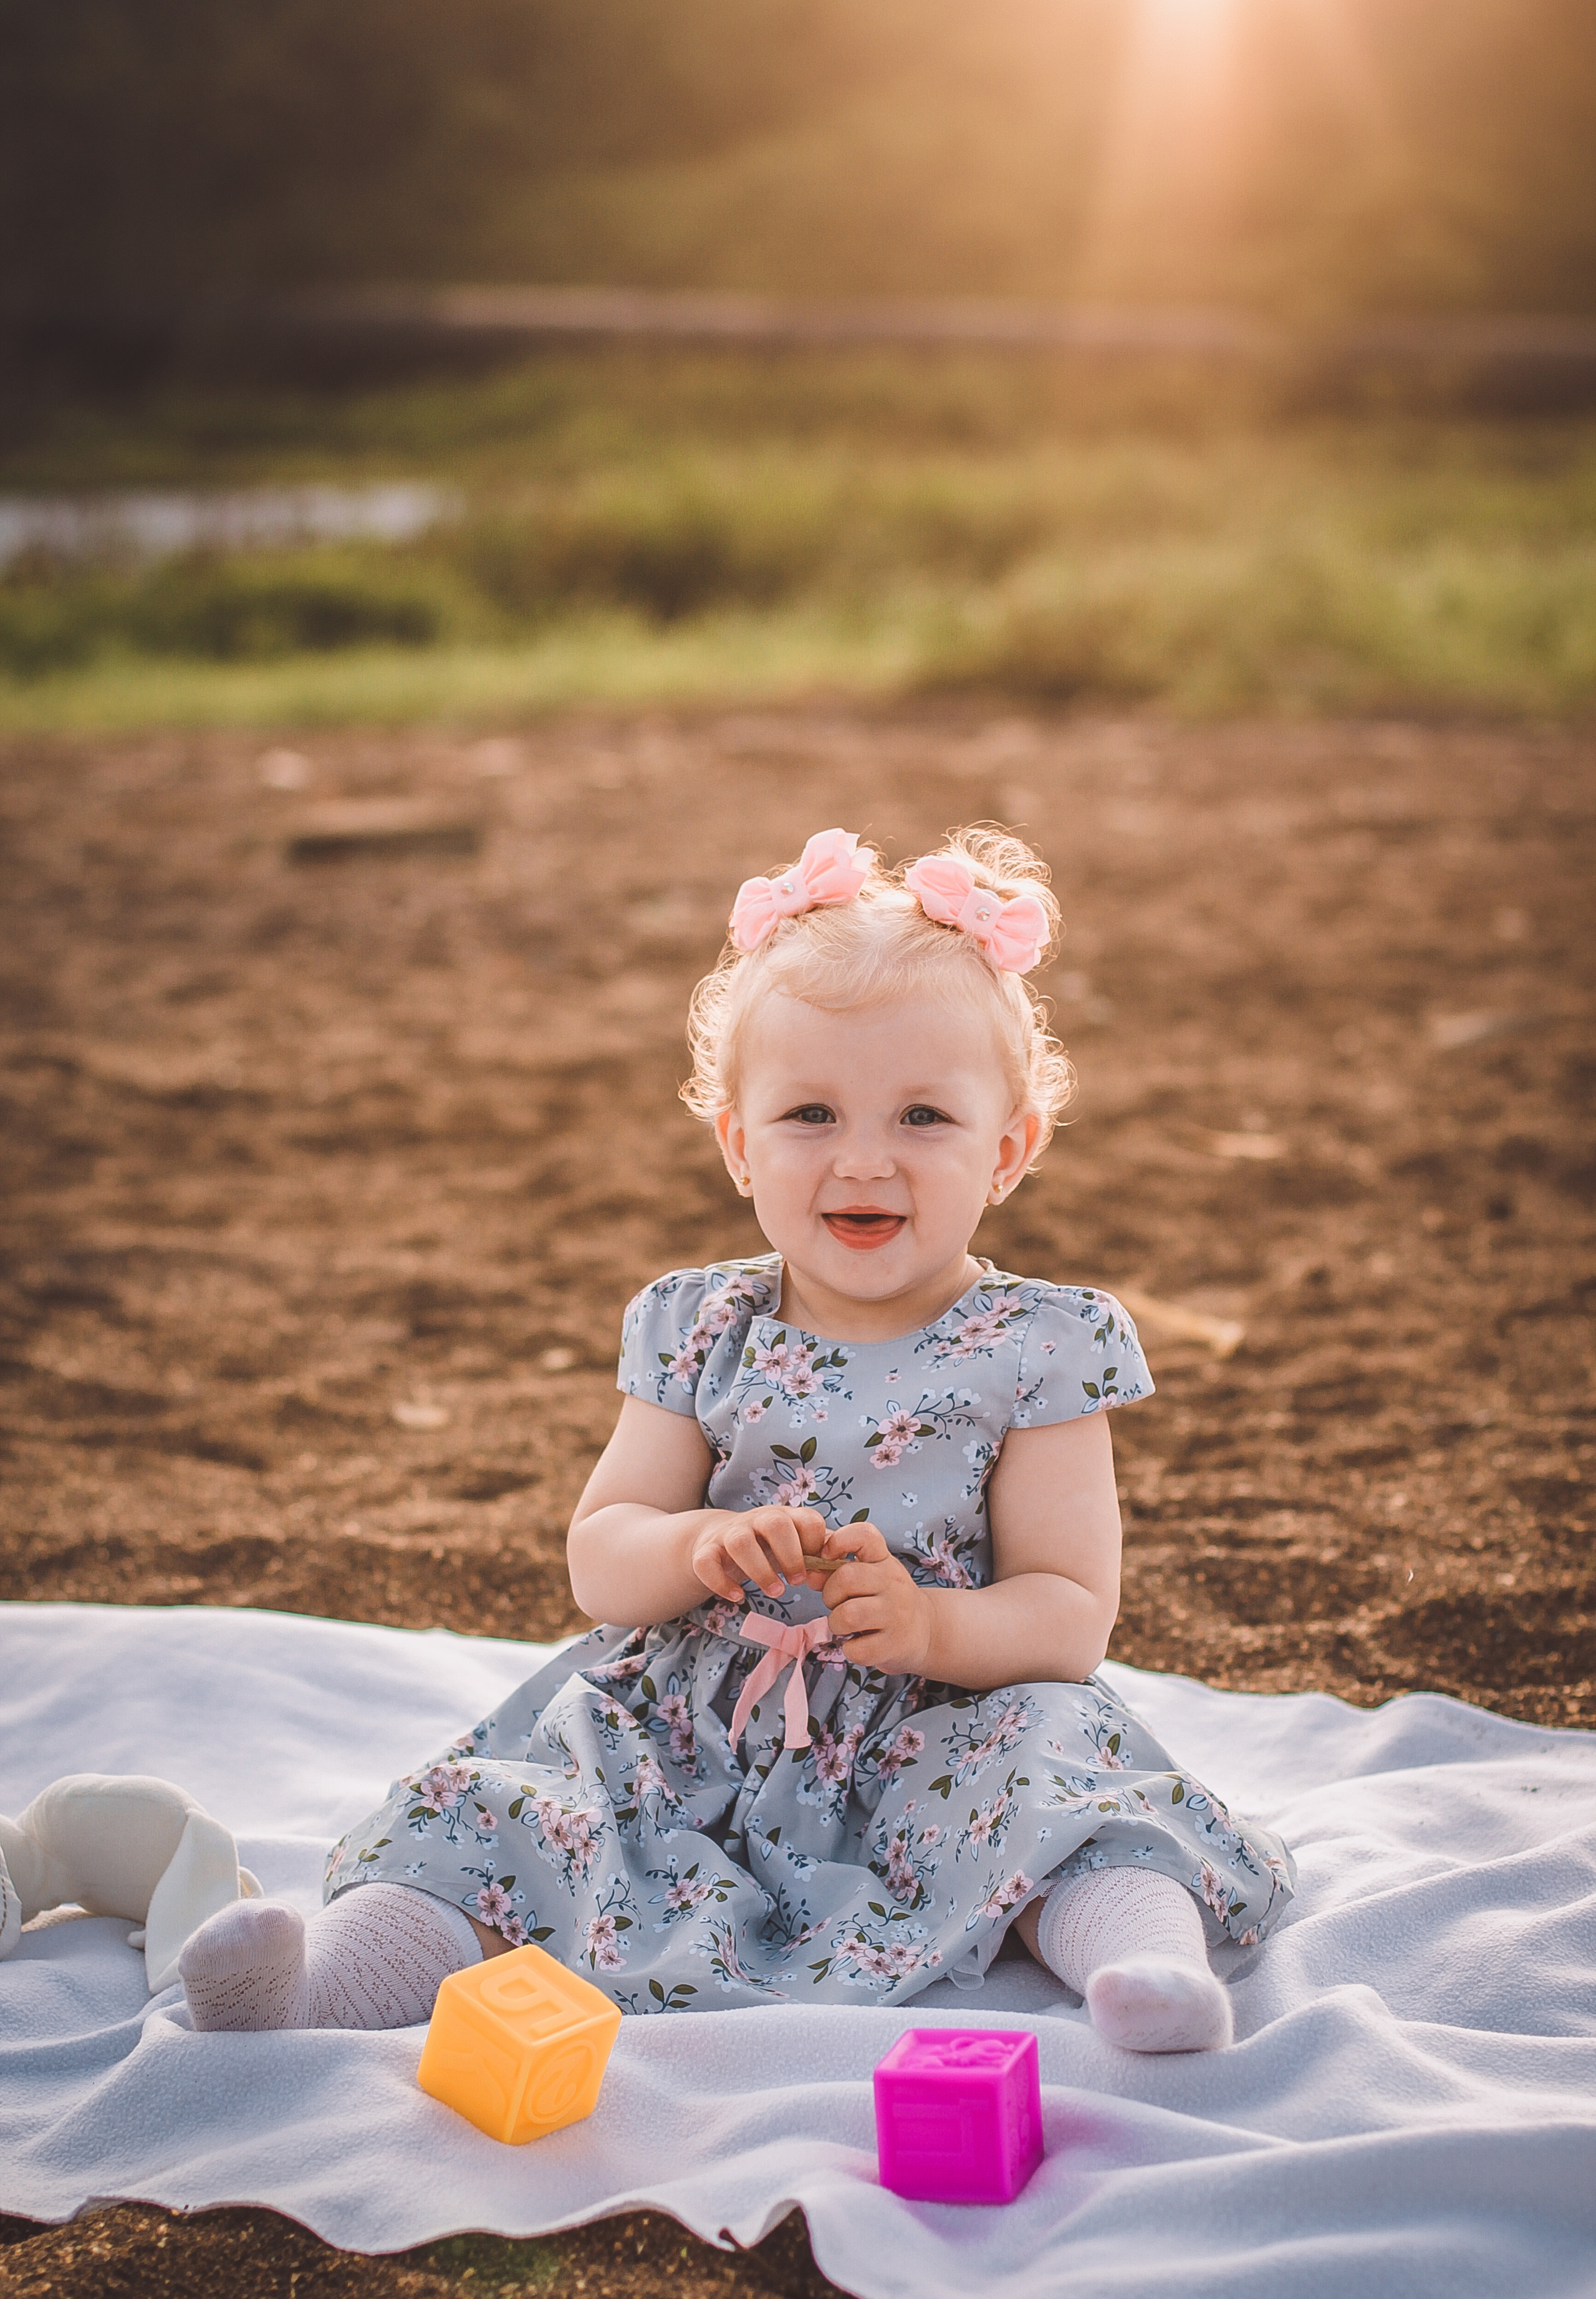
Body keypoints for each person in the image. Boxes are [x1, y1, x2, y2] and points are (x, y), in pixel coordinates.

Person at [180, 825, 1293, 2052]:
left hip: (941, 1723)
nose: (862, 1159)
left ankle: (1146, 1974)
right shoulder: (696, 1325)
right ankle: (314, 1991)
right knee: (503, 1809)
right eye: (809, 1113)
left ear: (1008, 1150)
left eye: (923, 1116)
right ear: (736, 1145)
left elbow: (1068, 1610)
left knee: (1069, 1789)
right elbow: (602, 1552)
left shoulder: (1037, 1345)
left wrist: (929, 1626)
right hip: (688, 1719)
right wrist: (698, 1542)